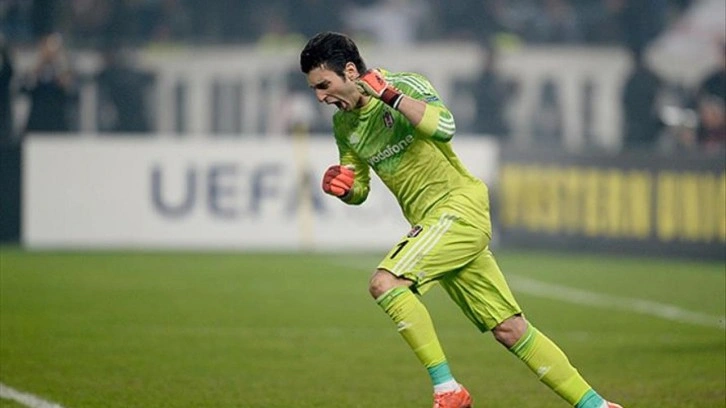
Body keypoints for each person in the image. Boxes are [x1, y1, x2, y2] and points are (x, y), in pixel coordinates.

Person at [299, 31, 624, 408]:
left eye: (323, 85)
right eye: (314, 89)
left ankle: (447, 389)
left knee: (385, 283)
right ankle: (597, 405)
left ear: (351, 71)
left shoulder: (404, 84)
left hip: (458, 207)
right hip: (436, 223)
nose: (320, 97)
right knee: (510, 329)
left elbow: (444, 128)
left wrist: (390, 96)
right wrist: (343, 187)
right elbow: (359, 187)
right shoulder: (344, 126)